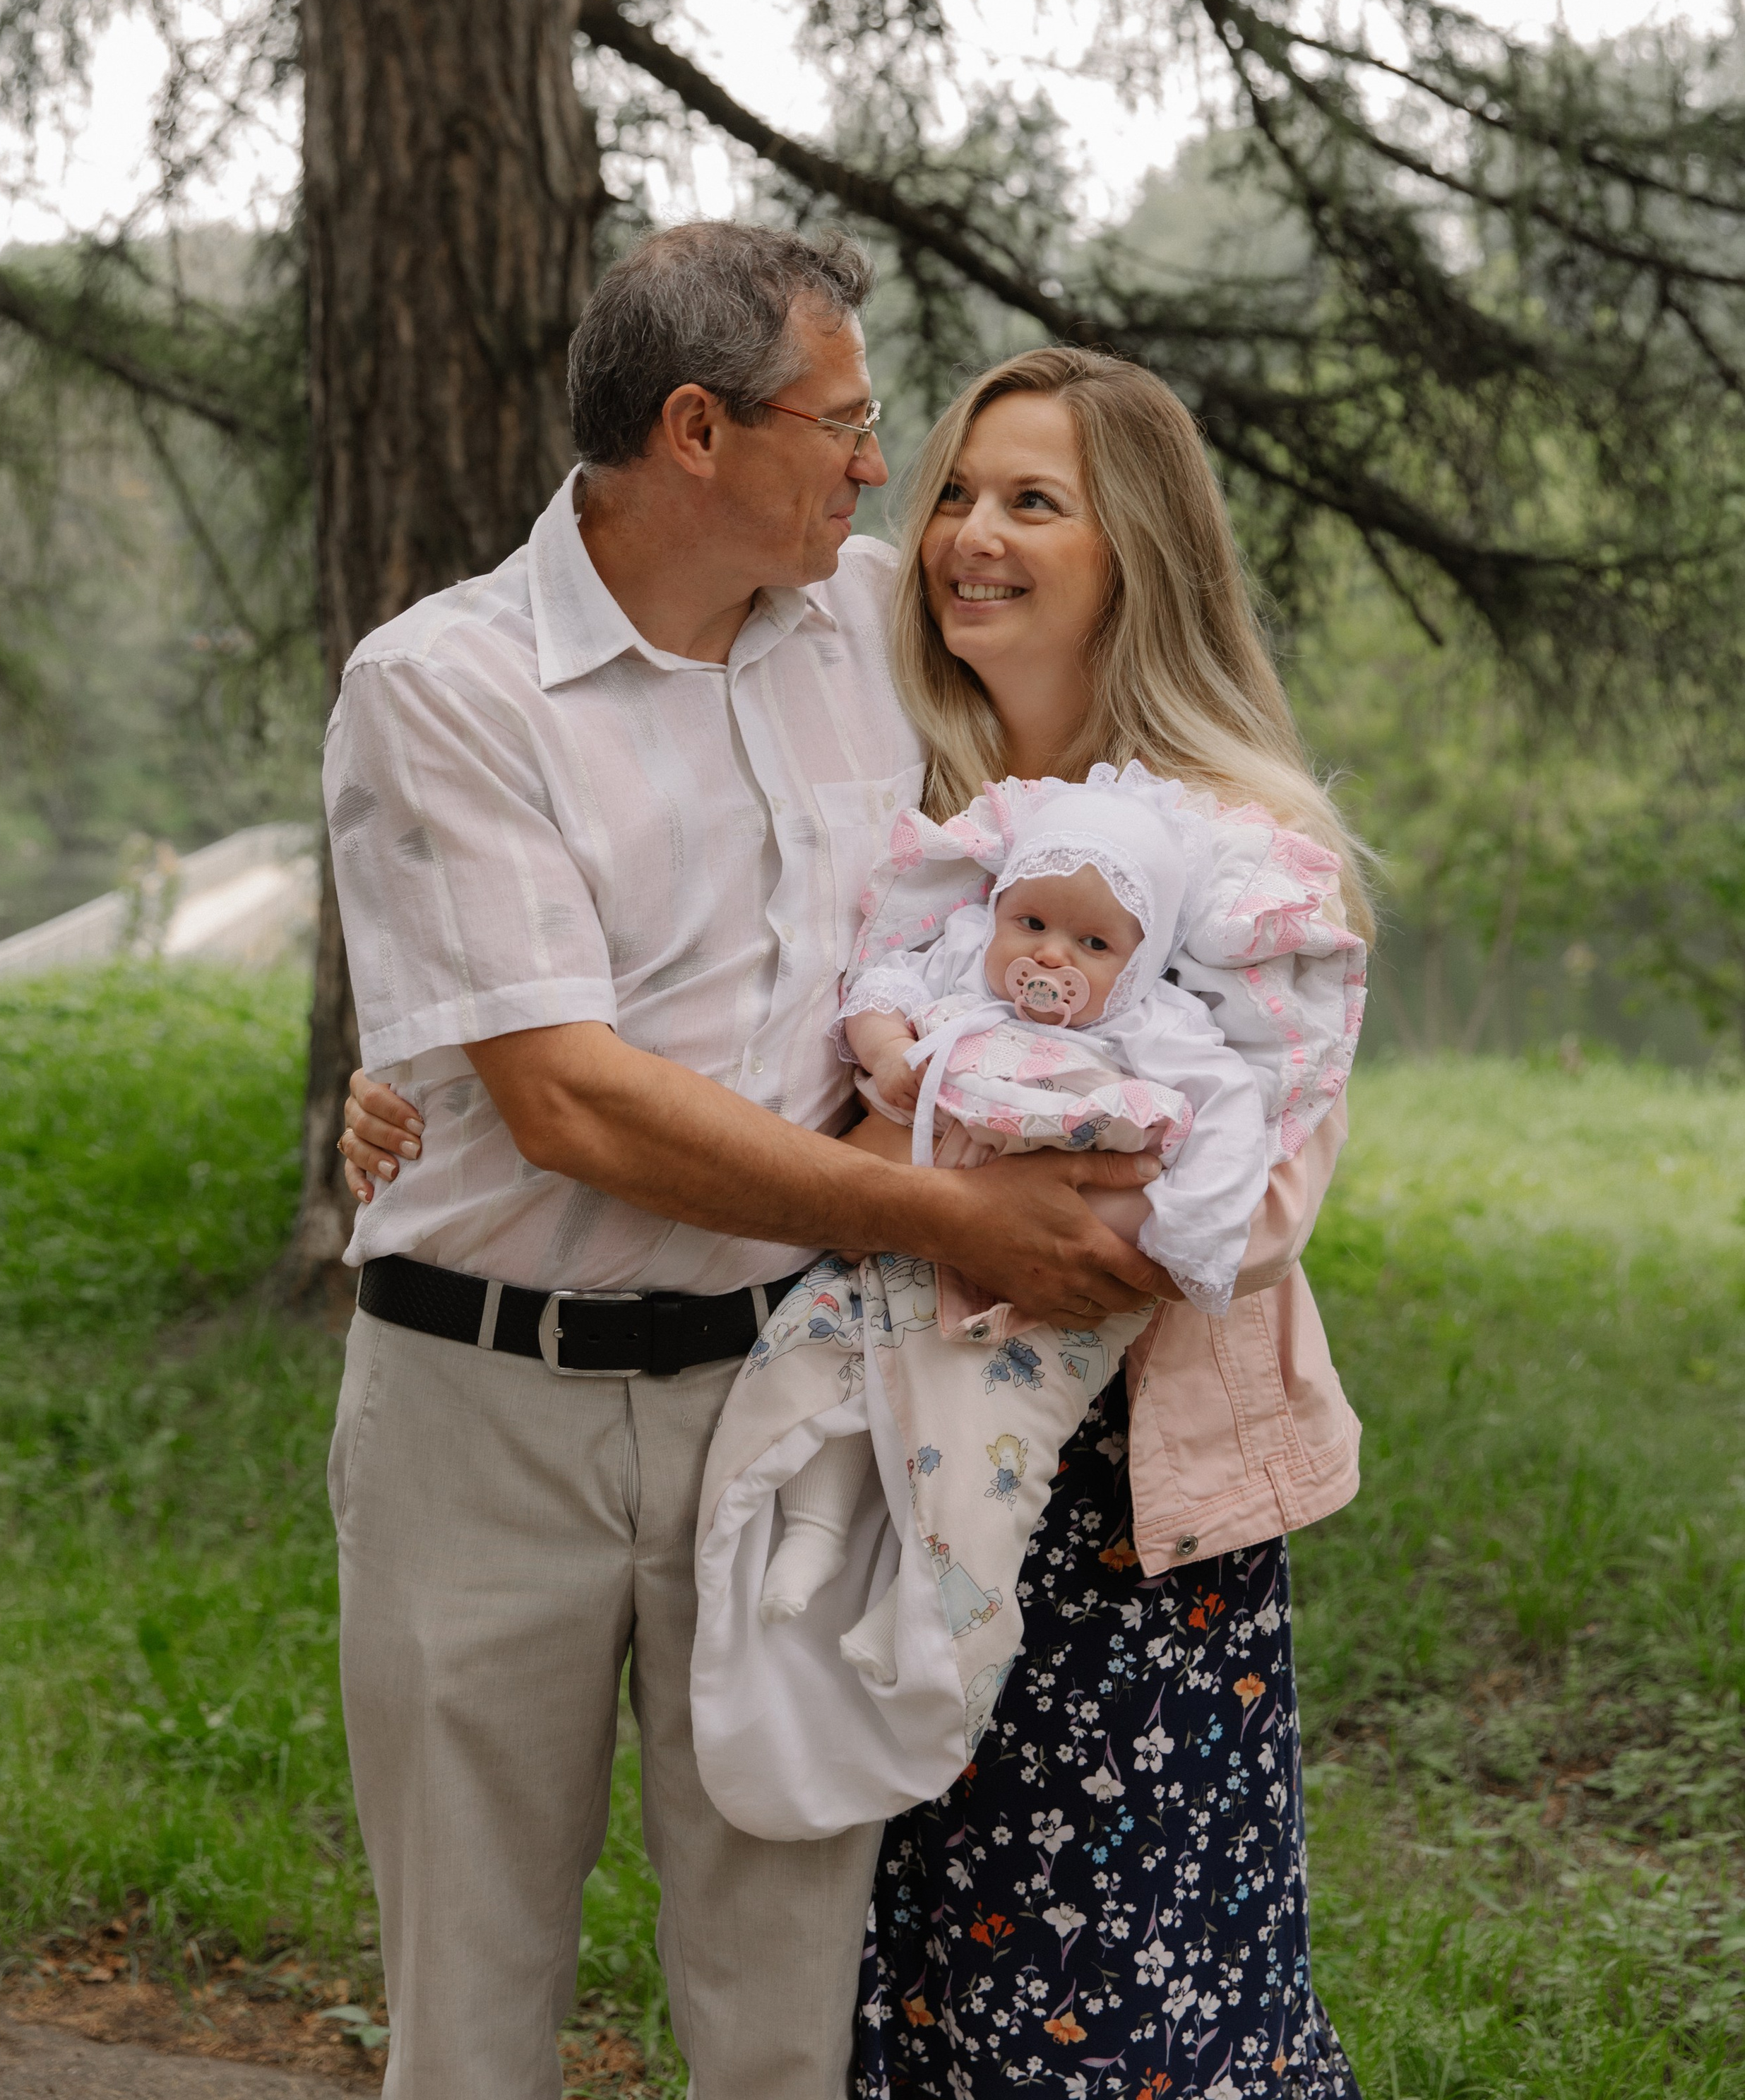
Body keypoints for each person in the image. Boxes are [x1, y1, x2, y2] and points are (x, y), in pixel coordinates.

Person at [345, 336, 1368, 2096]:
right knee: (874, 2024)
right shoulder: (918, 785)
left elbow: (1248, 1201)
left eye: (1028, 501)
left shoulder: (1237, 849)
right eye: (942, 480)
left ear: (1139, 554)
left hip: (1115, 1524)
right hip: (857, 1487)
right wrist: (431, 1093)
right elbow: (702, 1017)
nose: (946, 518)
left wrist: (967, 1184)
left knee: (1111, 2028)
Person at [686, 761, 1363, 1852]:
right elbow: (881, 998)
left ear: (1136, 964)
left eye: (1093, 946)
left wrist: (1183, 1237)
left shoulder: (1155, 1028)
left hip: (1043, 1301)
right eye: (1035, 923)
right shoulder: (963, 964)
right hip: (907, 1222)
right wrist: (889, 1060)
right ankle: (809, 1533)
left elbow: (1235, 1121)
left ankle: (923, 1635)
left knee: (973, 1456)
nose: (1052, 957)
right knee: (818, 1360)